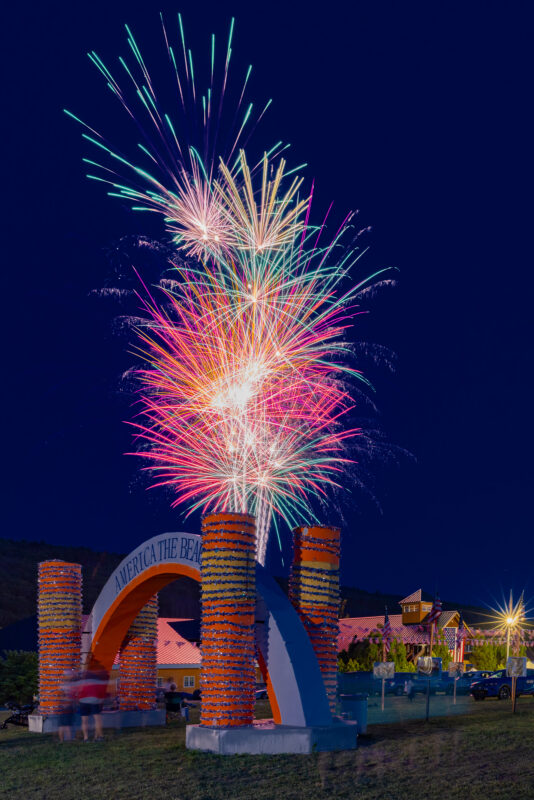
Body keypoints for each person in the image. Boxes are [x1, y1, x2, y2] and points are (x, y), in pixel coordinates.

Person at [78, 666, 109, 741]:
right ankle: (100, 736)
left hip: (83, 700)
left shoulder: (82, 682)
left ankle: (86, 738)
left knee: (84, 720)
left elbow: (78, 691)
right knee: (97, 720)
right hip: (94, 700)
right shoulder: (97, 681)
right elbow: (102, 693)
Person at [57, 669, 77, 742]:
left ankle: (62, 740)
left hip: (61, 707)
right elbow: (70, 697)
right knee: (67, 725)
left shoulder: (61, 685)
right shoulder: (69, 686)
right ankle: (68, 740)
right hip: (67, 707)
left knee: (61, 725)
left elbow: (59, 696)